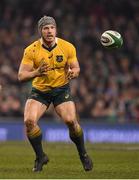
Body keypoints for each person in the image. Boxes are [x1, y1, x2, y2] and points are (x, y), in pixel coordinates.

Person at [18, 15, 93, 172]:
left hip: (61, 89)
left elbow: (77, 68)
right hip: (40, 91)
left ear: (56, 29)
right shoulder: (31, 50)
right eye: (46, 28)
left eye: (52, 27)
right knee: (29, 122)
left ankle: (83, 154)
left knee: (71, 121)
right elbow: (21, 76)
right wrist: (37, 72)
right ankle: (40, 157)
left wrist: (74, 73)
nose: (49, 31)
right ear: (40, 31)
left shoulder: (68, 47)